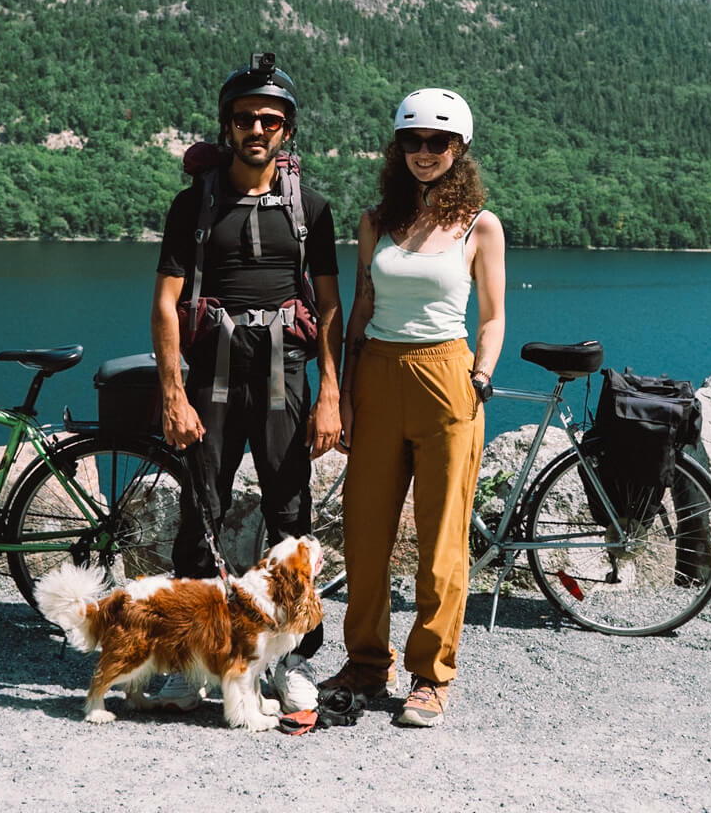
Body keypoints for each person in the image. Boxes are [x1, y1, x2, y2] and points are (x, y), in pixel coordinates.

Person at [149, 52, 343, 710]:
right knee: (200, 515)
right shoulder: (194, 206)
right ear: (226, 127)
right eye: (244, 119)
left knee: (291, 519)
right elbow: (165, 304)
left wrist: (332, 397)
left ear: (287, 130)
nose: (256, 129)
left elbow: (330, 308)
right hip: (210, 380)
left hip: (286, 378)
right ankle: (190, 659)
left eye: (269, 119)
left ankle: (292, 662)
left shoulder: (310, 210)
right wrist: (172, 393)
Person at [320, 88, 505, 729]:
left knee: (442, 540)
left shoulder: (480, 224)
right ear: (397, 149)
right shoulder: (377, 221)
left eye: (438, 142)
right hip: (376, 372)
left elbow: (493, 318)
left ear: (459, 149)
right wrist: (340, 393)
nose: (424, 152)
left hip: (447, 376)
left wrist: (479, 378)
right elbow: (360, 309)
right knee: (365, 533)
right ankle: (368, 663)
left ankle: (430, 676)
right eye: (412, 141)